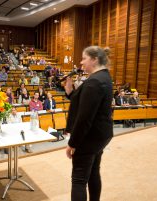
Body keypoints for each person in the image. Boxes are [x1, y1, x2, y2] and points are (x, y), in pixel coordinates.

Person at [64, 46, 113, 201]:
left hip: (89, 137)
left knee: (78, 180)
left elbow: (84, 118)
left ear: (94, 59)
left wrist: (72, 143)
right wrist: (70, 92)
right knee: (93, 172)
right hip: (100, 135)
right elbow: (87, 104)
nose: (81, 62)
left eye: (84, 58)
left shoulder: (94, 82)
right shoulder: (103, 77)